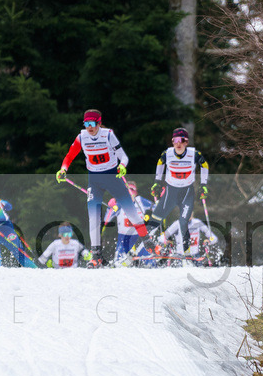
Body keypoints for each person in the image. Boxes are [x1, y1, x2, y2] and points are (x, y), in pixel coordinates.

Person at [56, 108, 151, 265]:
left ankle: (148, 243)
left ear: (99, 123)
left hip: (113, 177)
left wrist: (122, 166)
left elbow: (124, 157)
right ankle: (96, 256)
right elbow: (70, 155)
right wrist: (63, 169)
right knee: (93, 217)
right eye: (86, 123)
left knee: (132, 214)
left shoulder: (108, 134)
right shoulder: (82, 136)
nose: (89, 127)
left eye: (92, 123)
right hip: (95, 181)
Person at [149, 127, 209, 256]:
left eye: (182, 140)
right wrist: (157, 182)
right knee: (156, 217)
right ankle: (146, 243)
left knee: (183, 221)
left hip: (187, 192)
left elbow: (204, 165)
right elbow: (160, 163)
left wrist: (203, 184)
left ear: (186, 142)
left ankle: (186, 249)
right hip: (171, 191)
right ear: (172, 141)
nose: (178, 143)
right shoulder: (167, 154)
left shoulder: (194, 154)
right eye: (175, 140)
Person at [103, 181, 154, 264]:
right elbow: (106, 221)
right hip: (124, 238)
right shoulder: (119, 203)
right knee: (119, 263)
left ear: (136, 192)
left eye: (132, 189)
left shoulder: (141, 201)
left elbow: (157, 210)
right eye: (128, 189)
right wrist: (110, 208)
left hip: (140, 237)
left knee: (150, 262)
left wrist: (149, 215)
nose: (130, 191)